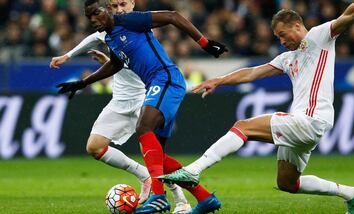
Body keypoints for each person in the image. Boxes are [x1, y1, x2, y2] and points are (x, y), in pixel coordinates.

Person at [159, 1, 354, 214]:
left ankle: (194, 170)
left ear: (297, 25)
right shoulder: (287, 59)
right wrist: (219, 81)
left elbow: (349, 15)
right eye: (278, 37)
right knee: (288, 183)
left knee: (243, 126)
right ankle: (352, 194)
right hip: (306, 122)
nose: (281, 40)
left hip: (311, 119)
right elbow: (252, 73)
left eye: (283, 34)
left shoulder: (319, 36)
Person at [56, 0, 227, 213]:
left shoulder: (129, 20)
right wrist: (83, 82)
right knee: (159, 157)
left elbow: (173, 16)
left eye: (96, 14)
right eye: (89, 17)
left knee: (143, 128)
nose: (93, 20)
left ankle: (158, 196)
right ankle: (204, 198)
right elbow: (116, 64)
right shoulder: (111, 37)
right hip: (159, 84)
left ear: (107, 11)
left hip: (165, 78)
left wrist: (205, 42)